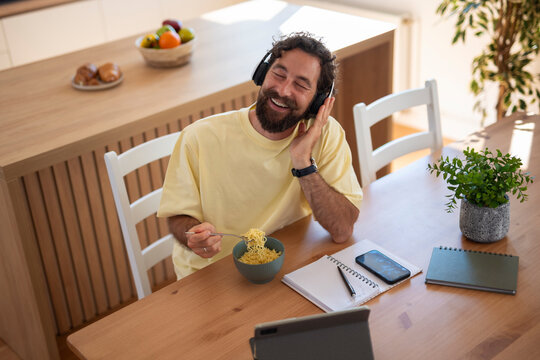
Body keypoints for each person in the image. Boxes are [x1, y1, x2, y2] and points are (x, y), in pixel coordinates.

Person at [158, 32, 362, 279]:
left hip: (285, 268)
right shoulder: (198, 137)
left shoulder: (325, 135)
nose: (283, 90)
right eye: (279, 74)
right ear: (262, 73)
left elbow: (342, 230)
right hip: (210, 275)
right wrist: (193, 233)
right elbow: (177, 216)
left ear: (318, 101)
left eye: (301, 84)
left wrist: (303, 162)